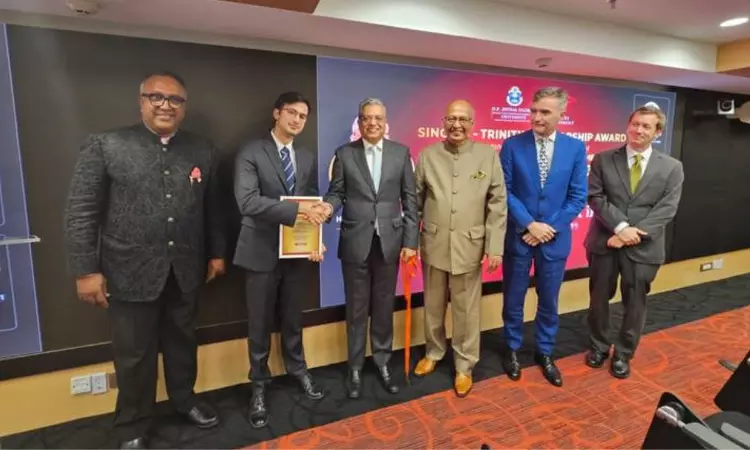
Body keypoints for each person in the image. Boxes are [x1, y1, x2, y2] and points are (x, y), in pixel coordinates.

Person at [64, 71, 227, 449]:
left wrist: (217, 253)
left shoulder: (202, 150)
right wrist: (86, 270)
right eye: (156, 97)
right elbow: (81, 212)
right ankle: (133, 425)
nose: (166, 105)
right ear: (141, 102)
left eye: (175, 99)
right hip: (128, 272)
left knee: (183, 342)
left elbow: (214, 208)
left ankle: (184, 399)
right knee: (134, 355)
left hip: (186, 269)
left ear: (184, 107)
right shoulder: (107, 145)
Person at [233, 91, 327, 429]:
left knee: (292, 318)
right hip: (259, 251)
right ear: (276, 113)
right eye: (291, 112)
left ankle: (298, 369)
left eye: (303, 115)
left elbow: (312, 201)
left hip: (296, 252)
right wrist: (299, 212)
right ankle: (258, 385)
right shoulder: (251, 151)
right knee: (258, 324)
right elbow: (248, 202)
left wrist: (316, 238)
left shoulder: (306, 156)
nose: (297, 120)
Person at [322, 98, 418, 399]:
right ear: (360, 122)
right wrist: (327, 208)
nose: (372, 123)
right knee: (356, 308)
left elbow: (410, 201)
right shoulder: (344, 154)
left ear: (385, 122)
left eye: (378, 118)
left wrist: (411, 242)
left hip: (390, 242)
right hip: (355, 242)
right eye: (367, 118)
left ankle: (382, 361)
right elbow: (336, 193)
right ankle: (354, 366)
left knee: (383, 306)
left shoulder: (401, 153)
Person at [412, 99, 507, 398]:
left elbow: (497, 204)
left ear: (472, 124)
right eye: (451, 119)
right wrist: (410, 244)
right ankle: (434, 351)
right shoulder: (428, 155)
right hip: (434, 243)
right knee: (433, 305)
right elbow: (414, 203)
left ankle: (465, 364)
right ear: (443, 121)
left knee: (467, 310)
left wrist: (495, 247)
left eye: (463, 119)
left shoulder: (487, 156)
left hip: (470, 245)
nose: (457, 125)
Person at [584, 104, 684, 379]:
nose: (638, 130)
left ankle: (624, 353)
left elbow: (667, 208)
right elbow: (595, 197)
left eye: (646, 126)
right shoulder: (603, 159)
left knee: (635, 303)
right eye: (635, 124)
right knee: (599, 299)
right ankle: (599, 346)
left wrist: (632, 234)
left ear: (657, 132)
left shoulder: (672, 167)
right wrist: (621, 228)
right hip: (605, 242)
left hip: (645, 247)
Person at [499, 87, 587, 388]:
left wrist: (546, 228)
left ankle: (545, 352)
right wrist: (528, 224)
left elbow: (577, 197)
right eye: (534, 110)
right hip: (519, 238)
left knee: (549, 300)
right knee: (513, 299)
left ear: (562, 114)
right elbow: (505, 191)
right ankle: (511, 349)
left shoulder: (575, 148)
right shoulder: (512, 145)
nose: (536, 117)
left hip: (553, 240)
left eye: (545, 112)